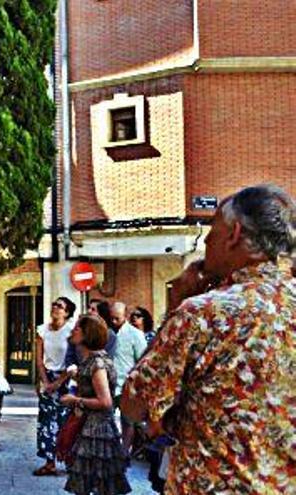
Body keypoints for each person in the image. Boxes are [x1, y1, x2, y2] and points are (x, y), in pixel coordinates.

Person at [122, 184, 296, 493]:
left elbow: (135, 404)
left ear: (234, 233)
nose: (205, 240)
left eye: (212, 229)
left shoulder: (203, 313)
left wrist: (176, 307)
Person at [60, 314, 131, 495]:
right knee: (95, 483)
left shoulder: (97, 364)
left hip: (97, 430)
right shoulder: (93, 360)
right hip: (91, 426)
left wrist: (75, 400)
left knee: (98, 483)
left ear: (86, 335)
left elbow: (105, 402)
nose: (73, 331)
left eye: (77, 328)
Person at [32, 296, 77, 476]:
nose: (55, 308)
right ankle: (49, 462)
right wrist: (45, 381)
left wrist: (58, 382)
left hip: (67, 379)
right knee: (46, 422)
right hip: (48, 377)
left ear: (66, 313)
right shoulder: (42, 331)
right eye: (54, 304)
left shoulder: (71, 331)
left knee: (66, 422)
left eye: (60, 306)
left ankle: (68, 461)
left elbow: (74, 361)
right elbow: (39, 359)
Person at [109, 302, 147, 457]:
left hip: (126, 385)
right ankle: (111, 450)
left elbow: (142, 361)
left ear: (124, 316)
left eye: (117, 318)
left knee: (128, 422)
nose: (113, 322)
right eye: (111, 318)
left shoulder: (135, 335)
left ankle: (124, 453)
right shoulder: (107, 333)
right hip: (110, 385)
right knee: (107, 420)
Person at [63, 298, 117, 368]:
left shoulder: (109, 335)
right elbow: (70, 356)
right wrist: (72, 368)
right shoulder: (79, 330)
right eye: (88, 308)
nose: (88, 311)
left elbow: (107, 358)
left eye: (93, 309)